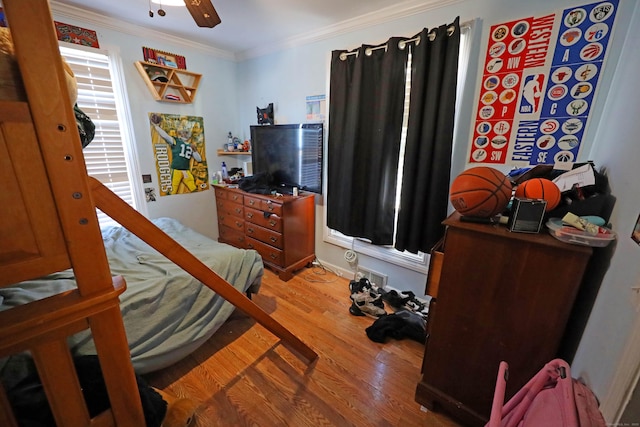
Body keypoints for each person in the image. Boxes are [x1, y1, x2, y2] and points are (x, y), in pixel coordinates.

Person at [150, 115, 202, 195]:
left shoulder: (191, 145)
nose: (185, 133)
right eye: (184, 131)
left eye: (187, 132)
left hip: (186, 171)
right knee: (172, 192)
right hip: (176, 170)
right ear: (180, 133)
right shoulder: (175, 141)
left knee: (194, 189)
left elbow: (199, 160)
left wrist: (195, 151)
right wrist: (156, 127)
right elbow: (165, 136)